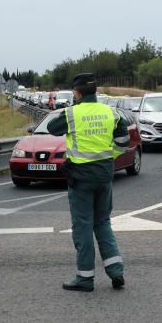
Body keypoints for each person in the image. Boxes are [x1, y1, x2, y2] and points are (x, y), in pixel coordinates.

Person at [46, 72, 128, 292]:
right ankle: (116, 271)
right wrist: (110, 156)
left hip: (81, 178)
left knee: (83, 226)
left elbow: (52, 128)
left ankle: (85, 278)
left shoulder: (72, 113)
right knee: (103, 222)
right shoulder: (111, 112)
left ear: (77, 92)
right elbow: (123, 142)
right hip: (104, 175)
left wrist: (67, 109)